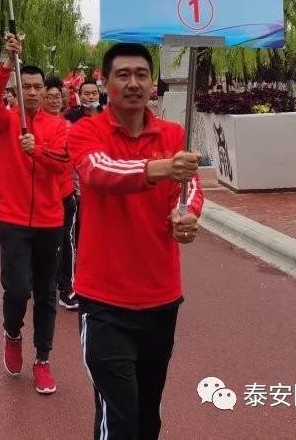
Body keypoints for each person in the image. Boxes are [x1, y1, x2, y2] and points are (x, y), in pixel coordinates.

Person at [68, 43, 203, 440]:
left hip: (161, 297)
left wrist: (188, 214)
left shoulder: (174, 133)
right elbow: (98, 172)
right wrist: (161, 168)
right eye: (122, 75)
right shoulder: (86, 132)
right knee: (120, 416)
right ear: (105, 82)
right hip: (104, 302)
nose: (133, 83)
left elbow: (190, 188)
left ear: (152, 84)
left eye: (141, 75)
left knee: (147, 416)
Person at [0, 34, 69, 395]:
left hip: (50, 220)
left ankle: (43, 359)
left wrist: (36, 151)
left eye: (37, 86)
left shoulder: (59, 126)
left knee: (46, 292)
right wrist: (7, 61)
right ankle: (13, 332)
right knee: (18, 288)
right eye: (26, 86)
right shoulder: (4, 122)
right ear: (17, 91)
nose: (32, 92)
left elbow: (61, 166)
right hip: (13, 218)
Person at [43, 79, 78, 311]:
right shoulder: (35, 125)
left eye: (58, 96)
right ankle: (44, 284)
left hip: (64, 193)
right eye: (50, 96)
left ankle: (66, 288)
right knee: (45, 244)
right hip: (42, 196)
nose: (54, 100)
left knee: (66, 242)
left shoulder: (69, 127)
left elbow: (71, 160)